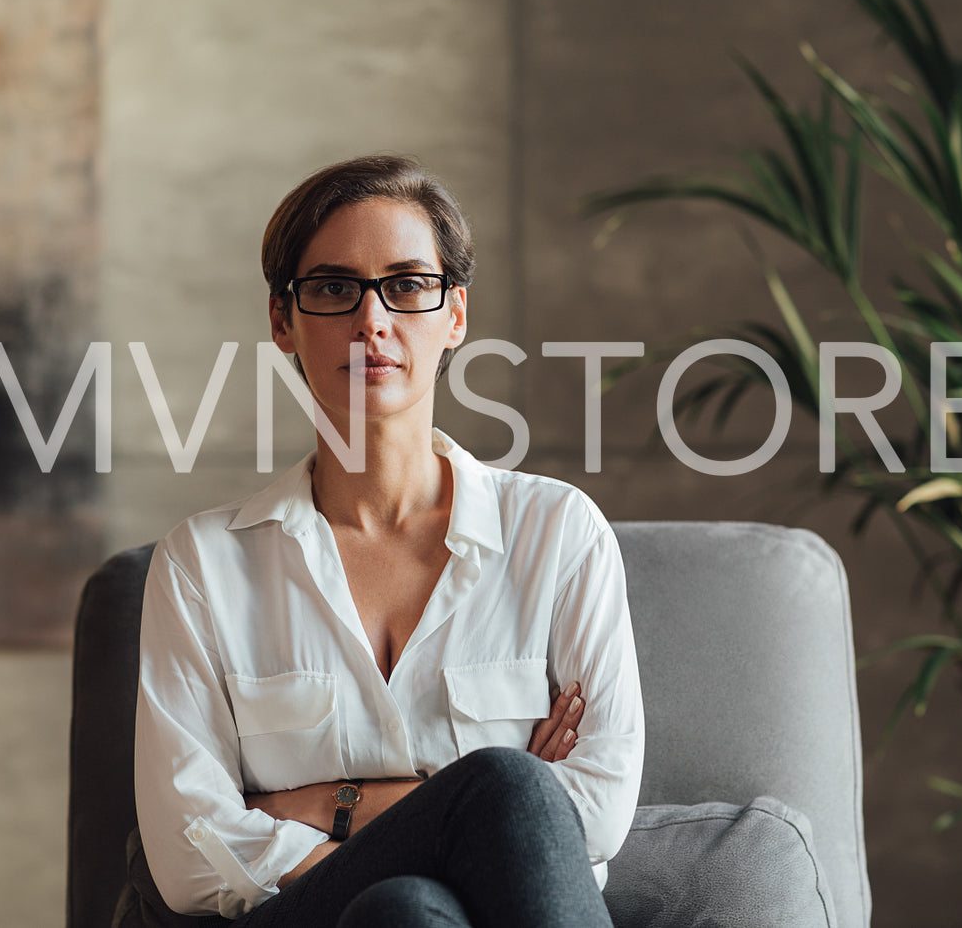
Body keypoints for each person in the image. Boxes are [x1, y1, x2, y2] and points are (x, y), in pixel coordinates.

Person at [129, 155, 644, 927]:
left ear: (454, 315)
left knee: (406, 907)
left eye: (405, 285)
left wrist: (318, 804)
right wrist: (479, 806)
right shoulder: (202, 563)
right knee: (510, 789)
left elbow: (597, 812)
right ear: (283, 321)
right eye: (335, 288)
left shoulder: (556, 532)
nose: (372, 320)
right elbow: (186, 854)